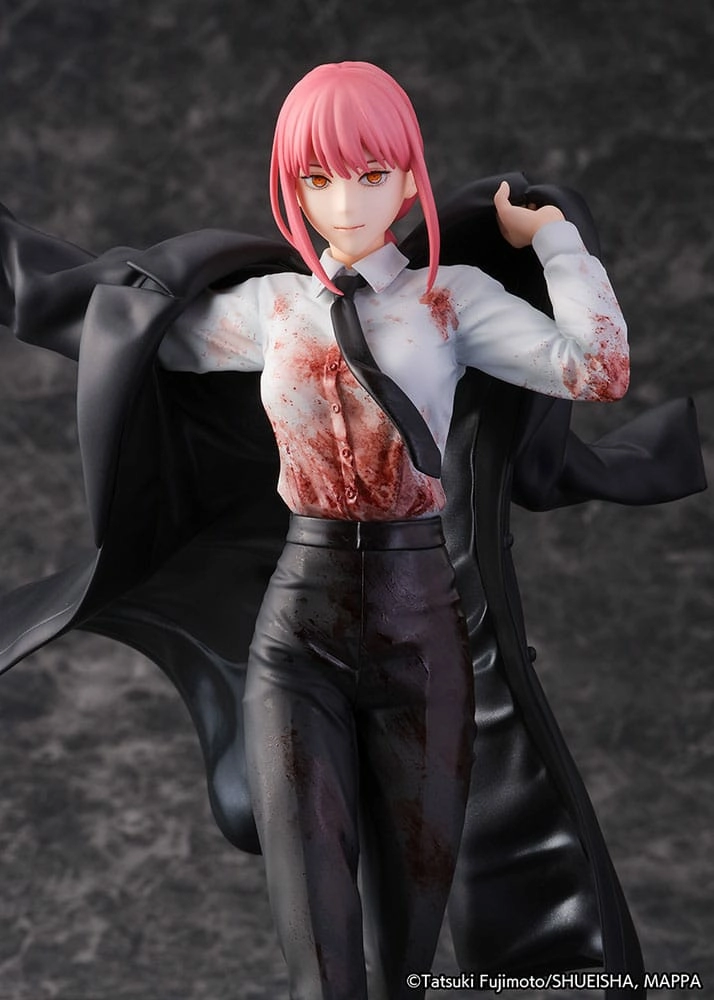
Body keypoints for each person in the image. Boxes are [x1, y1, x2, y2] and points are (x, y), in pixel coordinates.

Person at [0, 61, 705, 1000]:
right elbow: (119, 326)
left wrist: (554, 241)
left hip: (422, 632)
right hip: (299, 629)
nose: (345, 202)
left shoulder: (450, 302)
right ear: (292, 189)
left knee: (403, 959)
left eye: (371, 174)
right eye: (318, 178)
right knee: (320, 956)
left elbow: (598, 370)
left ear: (410, 178)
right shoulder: (273, 310)